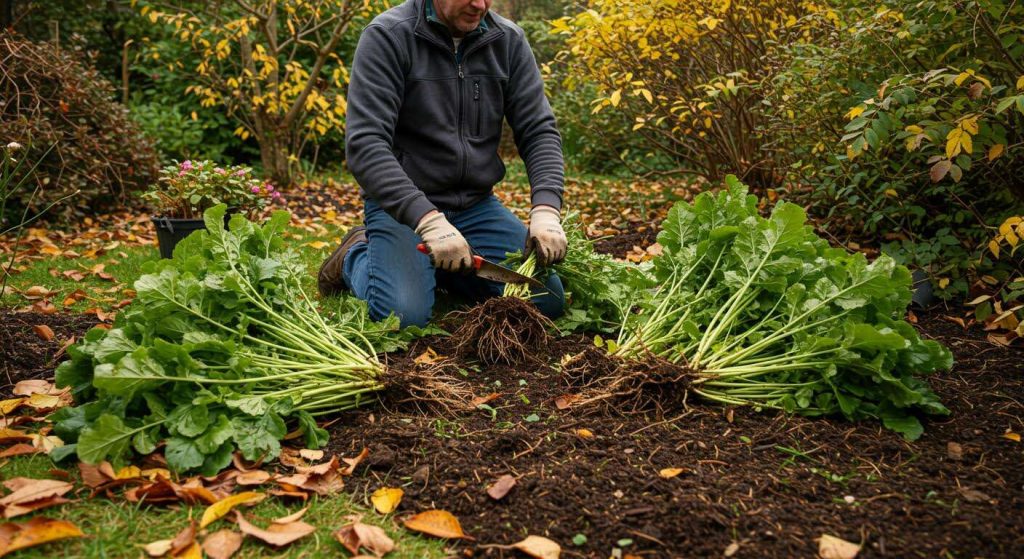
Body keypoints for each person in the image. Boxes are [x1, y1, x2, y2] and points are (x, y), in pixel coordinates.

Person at [317, 0, 568, 327]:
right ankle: (355, 255)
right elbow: (365, 144)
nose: (480, 4)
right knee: (403, 316)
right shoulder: (388, 36)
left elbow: (538, 130)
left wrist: (546, 208)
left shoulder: (507, 40)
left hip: (475, 207)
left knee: (546, 300)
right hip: (404, 209)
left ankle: (439, 266)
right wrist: (428, 220)